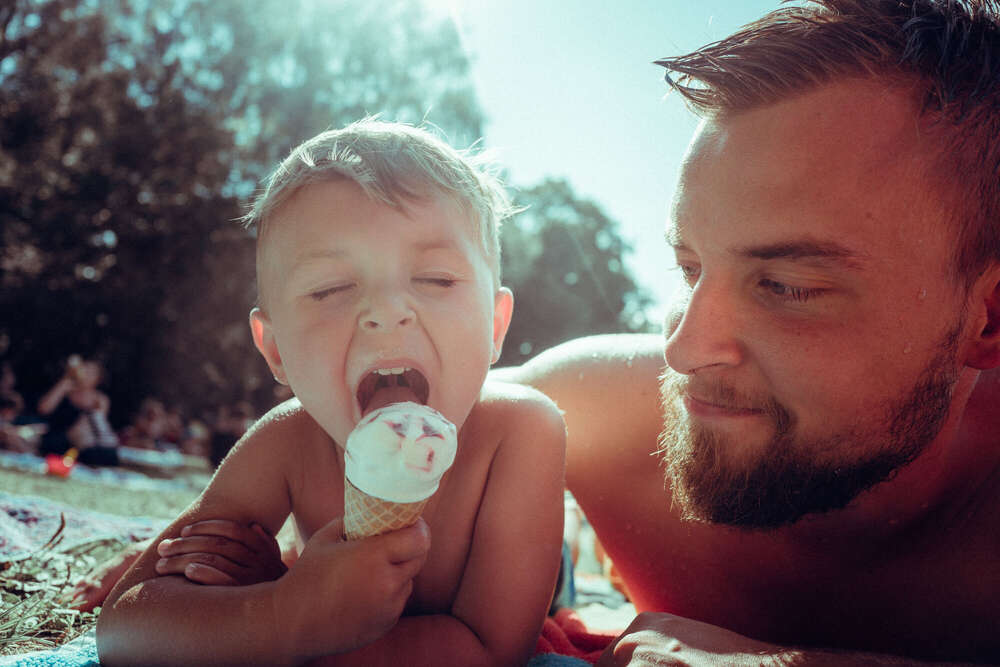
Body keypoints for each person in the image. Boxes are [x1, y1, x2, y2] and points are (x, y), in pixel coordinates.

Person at [500, 1, 1000, 663]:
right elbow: (351, 427)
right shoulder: (594, 417)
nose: (683, 349)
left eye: (787, 287)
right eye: (688, 268)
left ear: (987, 317)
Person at [97, 119, 566, 666]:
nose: (387, 311)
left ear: (494, 326)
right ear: (275, 350)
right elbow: (123, 628)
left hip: (541, 583)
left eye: (437, 279)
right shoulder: (286, 441)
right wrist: (278, 609)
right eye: (331, 289)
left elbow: (491, 651)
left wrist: (300, 628)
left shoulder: (523, 432)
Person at [36, 354, 120, 466]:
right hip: (59, 438)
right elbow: (43, 409)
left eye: (91, 373)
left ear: (98, 379)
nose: (86, 374)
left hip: (82, 442)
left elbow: (99, 428)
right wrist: (63, 384)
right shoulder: (65, 388)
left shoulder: (99, 399)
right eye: (85, 369)